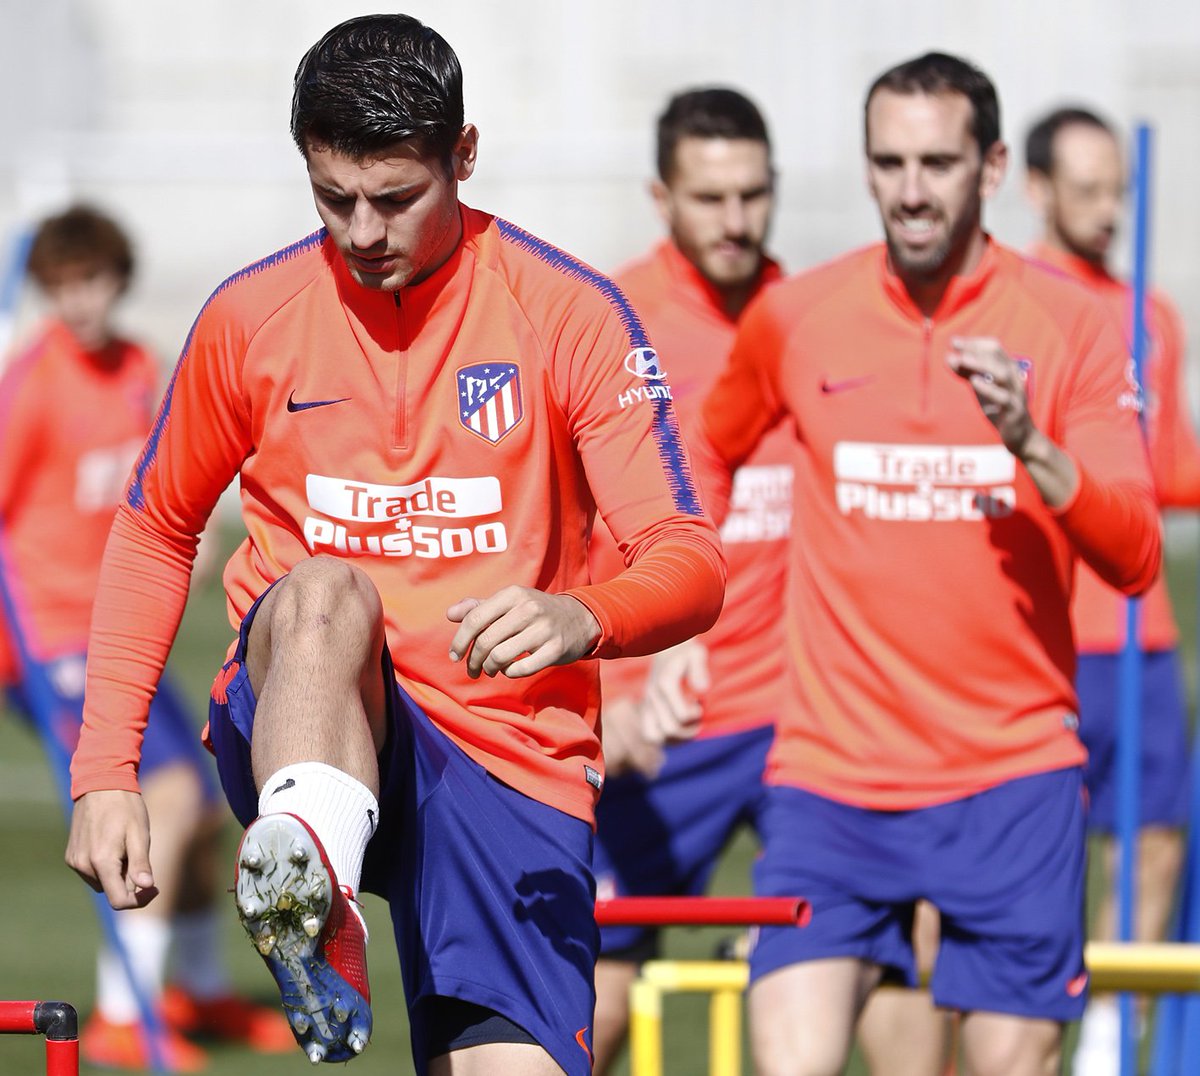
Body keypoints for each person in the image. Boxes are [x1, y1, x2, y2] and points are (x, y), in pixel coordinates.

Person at [63, 14, 725, 1076]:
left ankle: (319, 898)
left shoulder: (568, 313)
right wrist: (104, 770)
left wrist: (580, 613)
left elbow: (689, 557)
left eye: (396, 198)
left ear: (463, 155)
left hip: (509, 751)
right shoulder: (251, 314)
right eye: (334, 199)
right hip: (309, 701)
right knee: (325, 588)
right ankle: (308, 872)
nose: (363, 231)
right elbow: (155, 527)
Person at [689, 52, 1162, 1076]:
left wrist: (1034, 443)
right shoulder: (798, 313)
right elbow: (708, 447)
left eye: (937, 162)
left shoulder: (1074, 324)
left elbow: (1133, 556)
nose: (909, 190)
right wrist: (694, 611)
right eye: (888, 162)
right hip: (831, 777)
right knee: (790, 1058)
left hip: (1013, 777)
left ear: (991, 166)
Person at [0, 205, 292, 1071]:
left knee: (199, 808)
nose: (79, 303)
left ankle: (198, 989)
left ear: (116, 281)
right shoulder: (31, 384)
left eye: (90, 283)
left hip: (118, 631)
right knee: (158, 795)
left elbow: (157, 490)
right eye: (60, 289)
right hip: (49, 639)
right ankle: (125, 1011)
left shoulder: (138, 368)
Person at [586, 86, 790, 1072]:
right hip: (659, 722)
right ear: (661, 195)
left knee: (881, 974)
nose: (738, 220)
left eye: (754, 194)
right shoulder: (609, 323)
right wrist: (610, 690)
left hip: (808, 720)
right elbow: (562, 528)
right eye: (711, 198)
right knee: (598, 1004)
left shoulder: (815, 318)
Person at [1025, 105, 1200, 1075]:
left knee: (1158, 835)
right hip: (1042, 622)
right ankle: (1030, 1020)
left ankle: (1106, 1040)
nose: (1106, 210)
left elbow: (1167, 464)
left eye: (1116, 191)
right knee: (1038, 842)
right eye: (1085, 190)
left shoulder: (1154, 314)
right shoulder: (1012, 302)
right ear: (1039, 187)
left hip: (1141, 629)